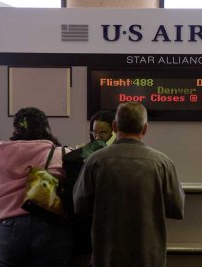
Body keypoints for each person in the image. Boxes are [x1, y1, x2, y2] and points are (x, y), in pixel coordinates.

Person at [73, 102, 185, 267]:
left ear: (115, 126)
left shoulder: (95, 161)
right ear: (145, 128)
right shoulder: (162, 163)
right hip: (149, 255)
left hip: (107, 254)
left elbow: (80, 205)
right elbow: (176, 207)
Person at [0, 107, 73, 267]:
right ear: (45, 127)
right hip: (51, 226)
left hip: (9, 227)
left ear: (16, 128)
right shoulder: (63, 154)